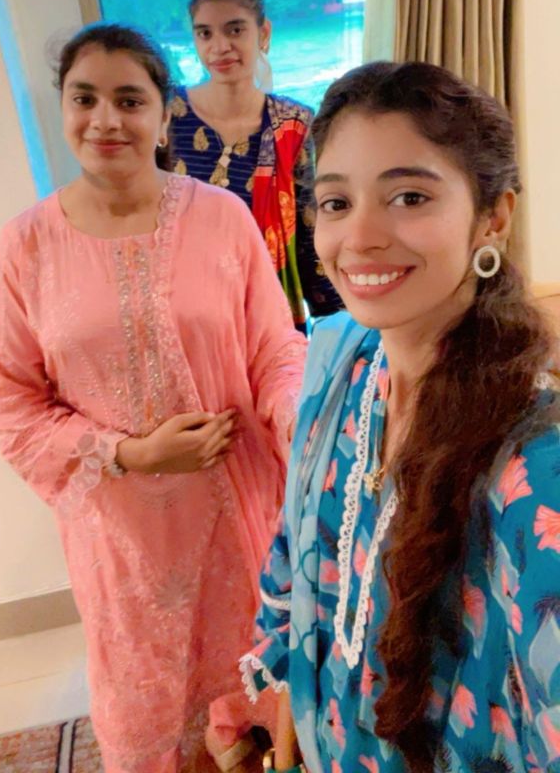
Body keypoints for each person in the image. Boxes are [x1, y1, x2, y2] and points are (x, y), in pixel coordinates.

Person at [0, 23, 307, 773]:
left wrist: (300, 419)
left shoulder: (220, 217)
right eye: (84, 99)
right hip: (121, 534)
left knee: (256, 666)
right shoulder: (25, 246)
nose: (106, 120)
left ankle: (240, 731)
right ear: (63, 109)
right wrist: (129, 454)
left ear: (164, 116)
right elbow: (14, 402)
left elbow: (274, 348)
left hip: (237, 506)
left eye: (129, 100)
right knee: (147, 700)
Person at [240, 62, 560, 773]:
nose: (359, 237)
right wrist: (287, 710)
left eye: (409, 196)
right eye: (335, 202)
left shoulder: (535, 468)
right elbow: (298, 559)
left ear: (493, 217)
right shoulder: (342, 367)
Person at [168, 0, 341, 333]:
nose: (219, 47)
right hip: (185, 312)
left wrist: (338, 327)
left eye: (234, 30)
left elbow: (308, 229)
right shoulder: (168, 116)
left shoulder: (292, 123)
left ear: (263, 34)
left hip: (268, 312)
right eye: (205, 33)